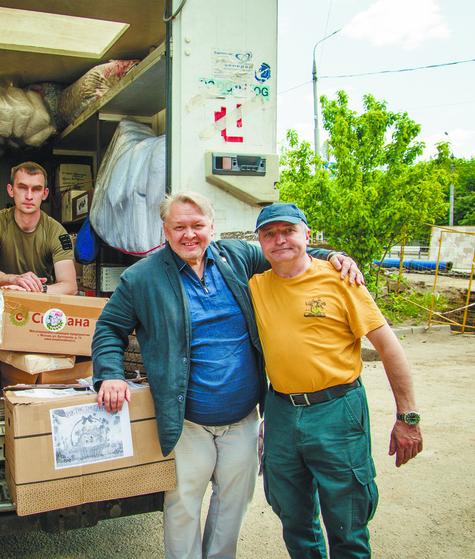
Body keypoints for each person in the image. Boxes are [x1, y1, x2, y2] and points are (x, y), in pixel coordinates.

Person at [92, 191, 362, 559]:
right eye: (179, 227)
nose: (190, 235)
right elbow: (109, 328)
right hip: (188, 421)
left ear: (211, 227)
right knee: (183, 505)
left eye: (198, 225)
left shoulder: (236, 256)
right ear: (165, 231)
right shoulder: (142, 278)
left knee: (233, 504)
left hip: (243, 418)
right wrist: (109, 375)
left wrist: (333, 256)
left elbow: (285, 252)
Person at [249, 202, 424, 559]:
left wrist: (408, 417)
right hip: (282, 410)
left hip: (338, 410)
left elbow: (390, 349)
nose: (279, 240)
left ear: (307, 236)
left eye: (288, 231)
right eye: (270, 233)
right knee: (293, 518)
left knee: (348, 519)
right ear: (260, 242)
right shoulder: (254, 285)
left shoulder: (341, 279)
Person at [0, 161, 77, 294]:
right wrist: (14, 280)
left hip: (40, 300)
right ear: (11, 190)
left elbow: (71, 286)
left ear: (45, 194)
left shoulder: (56, 231)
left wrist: (33, 289)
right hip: (1, 297)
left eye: (36, 189)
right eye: (22, 187)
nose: (29, 196)